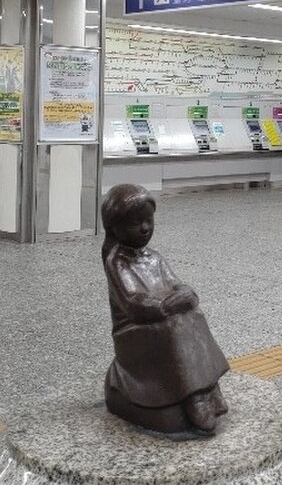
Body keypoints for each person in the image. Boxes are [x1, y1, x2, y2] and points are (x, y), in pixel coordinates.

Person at [101, 183, 229, 436]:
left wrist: (185, 294)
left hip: (161, 319)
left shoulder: (154, 257)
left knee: (194, 316)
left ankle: (209, 388)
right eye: (135, 223)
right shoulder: (117, 262)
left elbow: (175, 283)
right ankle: (193, 397)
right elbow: (133, 302)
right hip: (134, 330)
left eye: (148, 220)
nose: (145, 228)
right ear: (115, 227)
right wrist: (163, 306)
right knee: (174, 325)